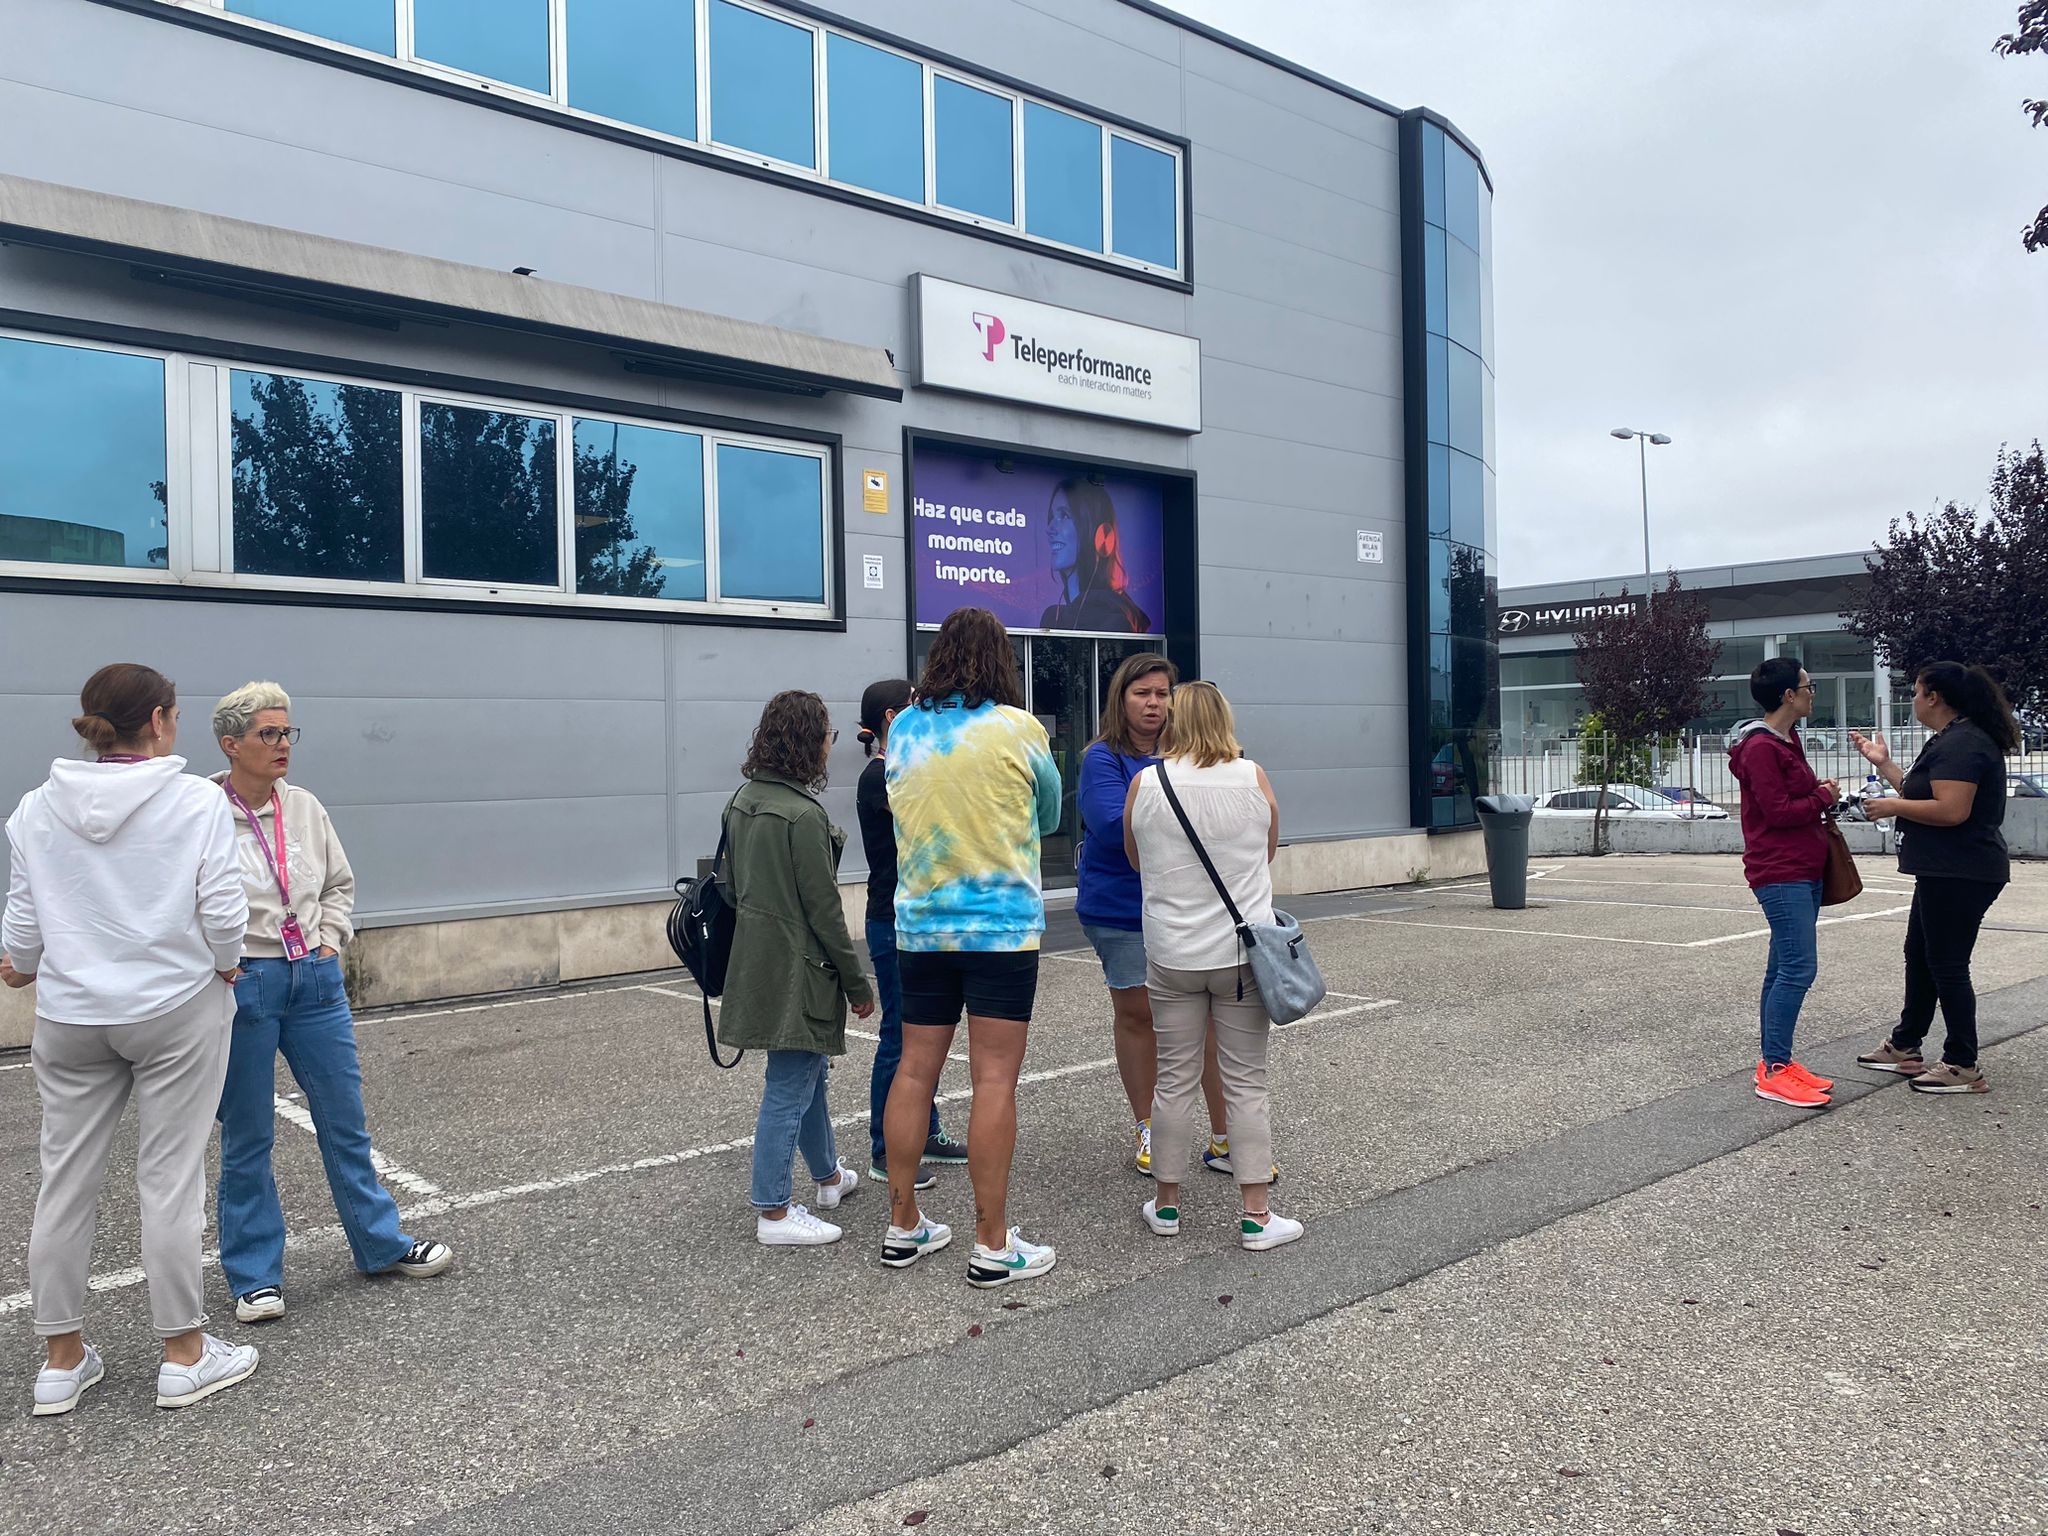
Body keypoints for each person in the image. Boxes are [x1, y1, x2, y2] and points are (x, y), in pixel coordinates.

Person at [3, 664, 258, 1415]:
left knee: (66, 1179)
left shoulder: (34, 808)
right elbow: (221, 908)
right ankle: (183, 1353)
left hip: (72, 1014)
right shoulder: (194, 802)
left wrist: (21, 967)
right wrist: (227, 965)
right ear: (160, 720)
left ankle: (60, 1360)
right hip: (175, 1006)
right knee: (169, 1178)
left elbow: (22, 928)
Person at [209, 682, 453, 1325]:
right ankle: (255, 1275)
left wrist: (330, 940)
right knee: (248, 1134)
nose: (283, 744)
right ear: (230, 744)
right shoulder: (201, 811)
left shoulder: (306, 807)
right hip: (245, 981)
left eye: (288, 732)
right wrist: (220, 963)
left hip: (314, 981)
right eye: (268, 733)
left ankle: (380, 1244)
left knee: (345, 1122)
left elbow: (340, 883)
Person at [880, 608, 1062, 1286]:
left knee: (913, 1071)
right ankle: (991, 1241)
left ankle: (903, 1226)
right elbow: (1047, 815)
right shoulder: (1018, 728)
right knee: (993, 1080)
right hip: (1001, 929)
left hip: (921, 926)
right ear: (1000, 659)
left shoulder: (904, 731)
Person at [1124, 681, 1301, 1250]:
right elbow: (1268, 849)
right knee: (1246, 1081)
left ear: (1172, 718)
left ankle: (1168, 1205)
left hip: (1172, 955)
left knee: (1173, 1081)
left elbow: (1135, 858)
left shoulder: (1146, 782)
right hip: (1239, 954)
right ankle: (1256, 1214)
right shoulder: (1252, 777)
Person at [719, 690, 877, 1245]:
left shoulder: (743, 800)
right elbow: (826, 913)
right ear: (810, 742)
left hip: (756, 961)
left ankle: (829, 1177)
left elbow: (732, 887)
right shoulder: (803, 815)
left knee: (807, 1077)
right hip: (802, 968)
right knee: (789, 1085)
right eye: (828, 735)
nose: (833, 744)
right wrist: (858, 983)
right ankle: (775, 1212)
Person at [1077, 653, 1241, 1179]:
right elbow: (1110, 827)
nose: (1154, 703)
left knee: (1213, 1021)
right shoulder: (1102, 759)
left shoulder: (1197, 756)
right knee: (1138, 1017)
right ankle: (1149, 1128)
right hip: (1121, 909)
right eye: (1141, 693)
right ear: (1120, 699)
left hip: (1191, 906)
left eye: (1163, 693)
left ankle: (1224, 1135)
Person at [1851, 662, 2019, 1094]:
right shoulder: (1951, 739)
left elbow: (1951, 809)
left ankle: (1963, 1063)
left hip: (1962, 870)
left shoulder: (1964, 744)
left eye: (1917, 691)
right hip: (1942, 868)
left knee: (1947, 964)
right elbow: (1920, 790)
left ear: (1935, 698)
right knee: (1921, 955)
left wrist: (1892, 807)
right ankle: (1906, 1045)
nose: (1913, 699)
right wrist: (1884, 765)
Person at [855, 678, 966, 1189]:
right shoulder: (879, 777)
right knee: (899, 1038)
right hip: (891, 919)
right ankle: (885, 1147)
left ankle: (927, 1132)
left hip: (921, 918)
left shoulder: (907, 768)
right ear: (888, 719)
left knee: (928, 1036)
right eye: (914, 710)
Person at [1727, 658, 1842, 1109]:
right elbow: (1777, 812)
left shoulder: (1787, 738)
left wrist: (1817, 796)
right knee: (1798, 969)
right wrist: (1822, 796)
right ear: (1788, 696)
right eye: (1807, 687)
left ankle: (1776, 1061)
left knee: (1782, 968)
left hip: (1803, 868)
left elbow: (1793, 800)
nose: (1813, 693)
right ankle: (1775, 1070)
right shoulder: (1760, 748)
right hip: (1780, 871)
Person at [1038, 478, 1151, 634]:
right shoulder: (1055, 617)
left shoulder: (1114, 620)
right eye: (1052, 516)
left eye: (1064, 516)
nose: (1050, 529)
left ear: (1099, 535)